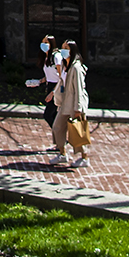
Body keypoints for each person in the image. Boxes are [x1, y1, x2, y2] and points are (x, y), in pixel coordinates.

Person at [54, 40, 91, 169]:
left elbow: (80, 90)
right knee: (57, 127)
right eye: (62, 47)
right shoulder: (66, 66)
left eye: (66, 48)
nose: (63, 50)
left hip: (75, 104)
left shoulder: (76, 68)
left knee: (77, 131)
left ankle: (84, 157)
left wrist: (78, 109)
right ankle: (62, 153)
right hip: (65, 104)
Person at [24, 35, 62, 153]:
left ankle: (62, 139)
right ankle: (59, 141)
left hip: (57, 87)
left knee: (49, 115)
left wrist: (53, 92)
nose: (44, 44)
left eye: (46, 42)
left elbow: (61, 77)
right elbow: (50, 75)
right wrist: (39, 81)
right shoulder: (47, 58)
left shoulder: (57, 57)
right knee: (54, 116)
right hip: (50, 85)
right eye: (42, 42)